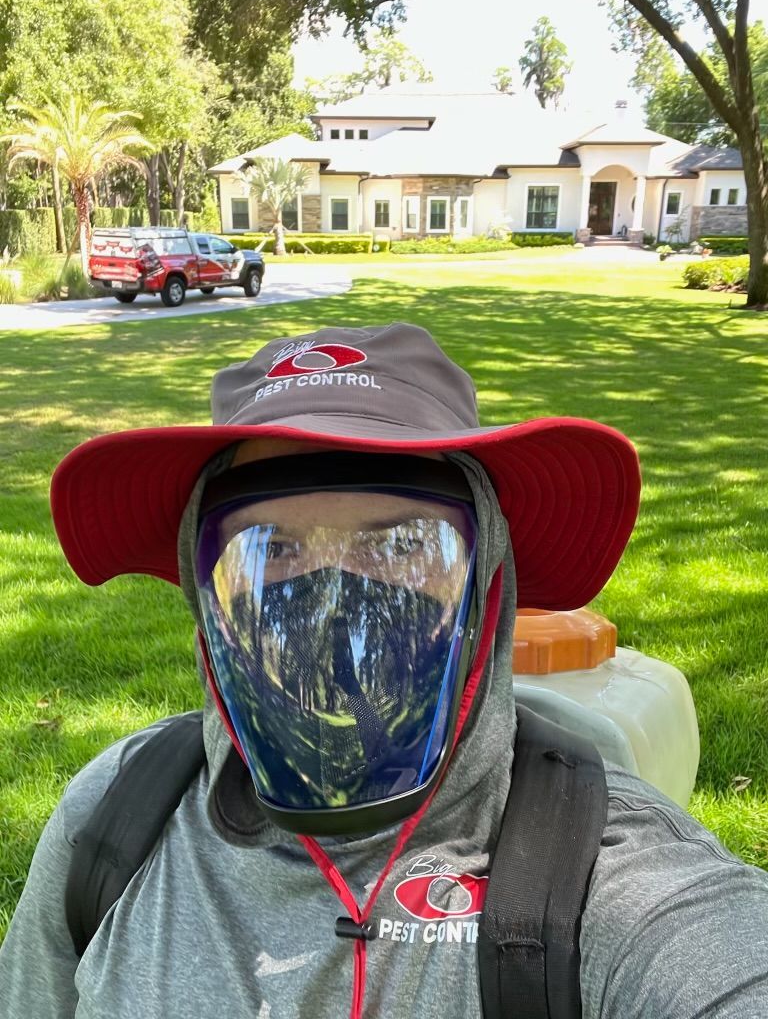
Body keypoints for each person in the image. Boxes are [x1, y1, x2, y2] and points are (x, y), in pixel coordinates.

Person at [1, 322, 767, 1019]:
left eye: (398, 547)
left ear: (487, 586)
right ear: (206, 598)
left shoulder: (616, 884)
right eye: (273, 550)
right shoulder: (113, 822)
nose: (331, 605)